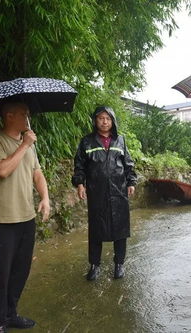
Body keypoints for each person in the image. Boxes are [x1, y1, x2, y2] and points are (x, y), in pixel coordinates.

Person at [0, 100, 50, 333]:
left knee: (20, 271)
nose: (28, 118)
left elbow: (37, 173)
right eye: (24, 114)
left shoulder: (28, 144)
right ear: (10, 116)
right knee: (0, 275)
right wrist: (24, 145)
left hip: (26, 217)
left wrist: (45, 198)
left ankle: (11, 314)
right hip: (2, 220)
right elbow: (1, 170)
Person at [72, 106, 137, 281]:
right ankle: (94, 265)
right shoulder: (87, 142)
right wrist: (80, 184)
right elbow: (80, 166)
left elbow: (128, 164)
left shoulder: (120, 140)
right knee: (96, 229)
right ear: (95, 121)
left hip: (118, 191)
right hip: (96, 191)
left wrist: (131, 182)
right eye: (100, 118)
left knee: (120, 228)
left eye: (107, 118)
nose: (104, 122)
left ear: (113, 121)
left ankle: (119, 264)